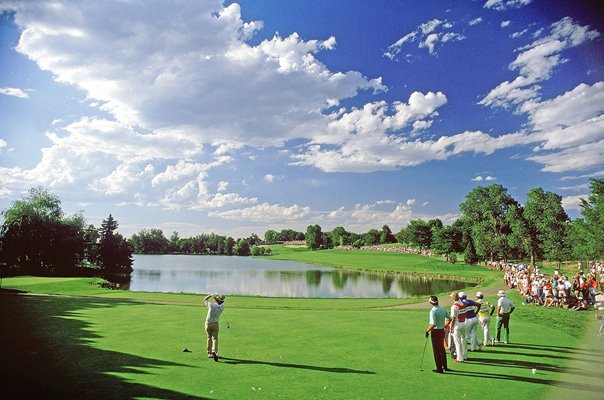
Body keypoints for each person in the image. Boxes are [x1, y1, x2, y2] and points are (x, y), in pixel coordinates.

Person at [425, 295, 451, 373]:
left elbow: (433, 324)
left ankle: (439, 369)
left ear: (430, 302)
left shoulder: (433, 311)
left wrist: (427, 330)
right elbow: (449, 319)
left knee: (436, 351)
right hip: (441, 331)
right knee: (442, 349)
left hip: (436, 332)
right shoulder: (442, 309)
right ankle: (445, 367)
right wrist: (445, 326)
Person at [446, 291, 467, 363]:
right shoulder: (463, 304)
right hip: (463, 323)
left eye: (451, 297)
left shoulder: (454, 306)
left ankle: (460, 358)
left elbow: (453, 318)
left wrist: (451, 327)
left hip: (457, 325)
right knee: (463, 340)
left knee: (457, 342)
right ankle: (465, 355)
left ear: (453, 298)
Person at [203, 293, 225, 361]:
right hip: (215, 324)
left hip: (208, 323)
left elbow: (204, 299)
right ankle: (214, 351)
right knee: (214, 338)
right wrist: (215, 298)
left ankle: (209, 353)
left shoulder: (211, 305)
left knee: (209, 337)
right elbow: (219, 302)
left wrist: (210, 295)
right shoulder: (222, 307)